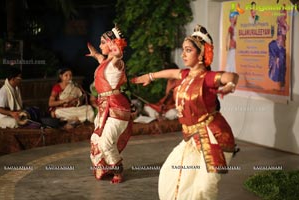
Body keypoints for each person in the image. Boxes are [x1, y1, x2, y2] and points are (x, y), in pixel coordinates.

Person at [132, 24, 239, 200]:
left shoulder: (208, 78)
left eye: (188, 50)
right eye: (183, 50)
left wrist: (230, 85)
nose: (183, 54)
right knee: (170, 174)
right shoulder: (186, 75)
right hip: (191, 138)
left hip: (214, 137)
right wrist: (150, 76)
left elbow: (231, 76)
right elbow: (171, 73)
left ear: (202, 54)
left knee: (204, 187)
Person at [86, 25, 132, 184]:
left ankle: (118, 170)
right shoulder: (107, 62)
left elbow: (118, 53)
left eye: (102, 42)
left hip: (117, 108)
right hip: (104, 107)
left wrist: (115, 39)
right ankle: (106, 167)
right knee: (96, 139)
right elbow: (102, 61)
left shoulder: (118, 61)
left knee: (106, 142)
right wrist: (96, 55)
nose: (99, 45)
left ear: (111, 44)